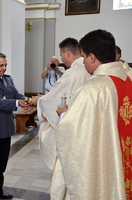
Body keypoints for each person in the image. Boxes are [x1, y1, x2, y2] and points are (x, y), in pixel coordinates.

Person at [51, 29, 132, 199]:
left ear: (92, 57)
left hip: (107, 165)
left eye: (83, 58)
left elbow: (72, 132)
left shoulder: (93, 88)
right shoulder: (128, 81)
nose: (83, 64)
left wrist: (64, 115)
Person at [33, 38, 91, 170]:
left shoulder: (72, 74)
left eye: (61, 56)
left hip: (72, 130)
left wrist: (39, 100)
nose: (62, 59)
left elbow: (52, 101)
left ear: (67, 53)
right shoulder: (86, 69)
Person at [0, 53, 30, 200]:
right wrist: (16, 103)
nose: (4, 68)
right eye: (1, 65)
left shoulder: (8, 79)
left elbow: (15, 94)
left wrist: (27, 99)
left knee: (1, 165)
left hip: (7, 128)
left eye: (5, 65)